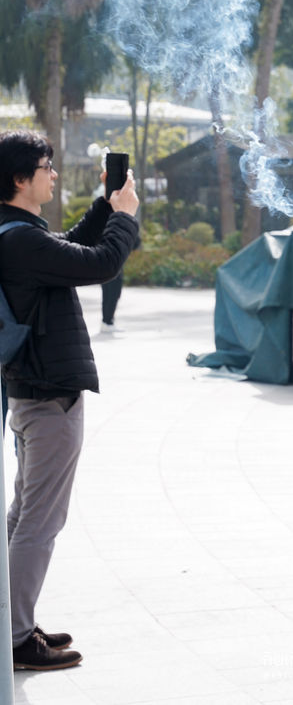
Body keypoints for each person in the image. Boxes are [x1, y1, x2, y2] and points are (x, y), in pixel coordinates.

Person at [0, 129, 139, 671]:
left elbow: (73, 247)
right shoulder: (20, 241)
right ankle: (14, 637)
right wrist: (125, 217)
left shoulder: (16, 234)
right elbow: (99, 263)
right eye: (46, 166)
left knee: (23, 516)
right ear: (19, 178)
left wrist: (106, 204)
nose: (53, 174)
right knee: (40, 520)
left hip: (32, 393)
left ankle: (12, 622)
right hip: (49, 397)